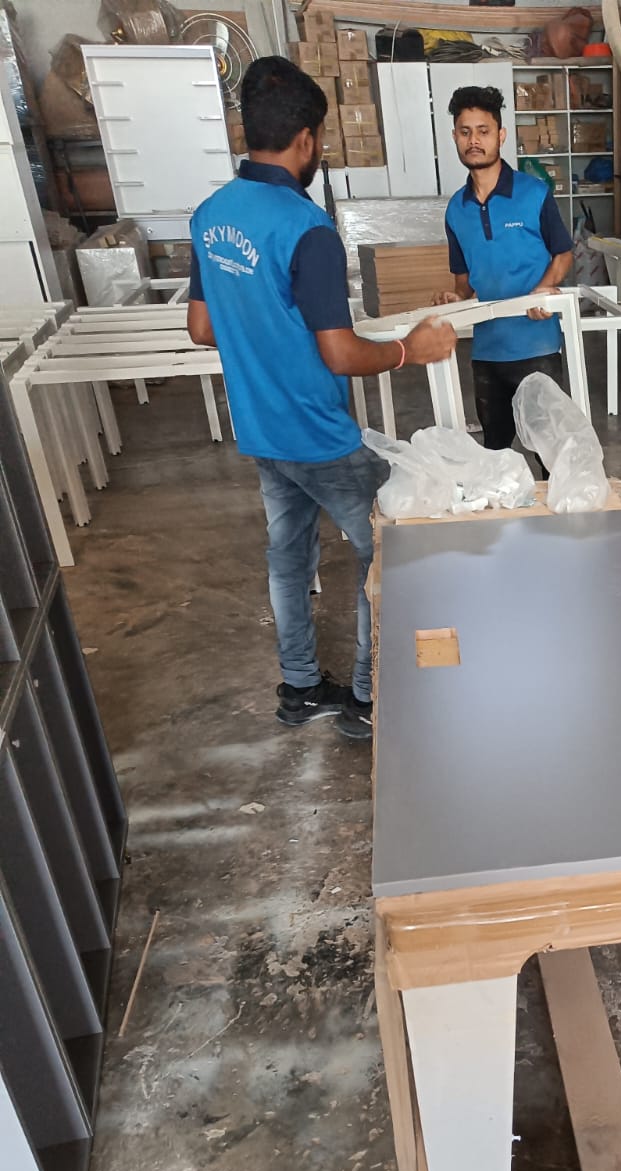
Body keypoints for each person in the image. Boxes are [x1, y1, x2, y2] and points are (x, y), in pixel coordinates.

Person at [187, 56, 456, 741]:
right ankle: (369, 699)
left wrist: (261, 326)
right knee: (388, 552)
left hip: (261, 430)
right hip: (318, 435)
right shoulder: (306, 228)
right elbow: (339, 352)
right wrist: (411, 349)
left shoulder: (210, 216)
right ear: (306, 139)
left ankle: (302, 688)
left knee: (288, 557)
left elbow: (202, 327)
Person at [435, 85, 574, 452]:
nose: (474, 141)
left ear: (501, 135)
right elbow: (464, 283)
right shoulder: (456, 209)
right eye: (465, 132)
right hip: (486, 351)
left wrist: (543, 289)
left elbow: (563, 254)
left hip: (536, 344)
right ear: (454, 137)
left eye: (483, 131)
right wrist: (455, 298)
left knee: (549, 450)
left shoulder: (533, 193)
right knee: (494, 450)